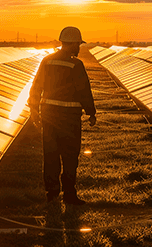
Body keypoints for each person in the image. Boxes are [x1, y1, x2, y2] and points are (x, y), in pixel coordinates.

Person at [28, 26, 97, 205]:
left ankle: (51, 194)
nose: (79, 48)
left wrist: (34, 108)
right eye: (78, 44)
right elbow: (84, 91)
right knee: (70, 157)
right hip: (70, 119)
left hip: (49, 117)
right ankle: (69, 195)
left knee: (50, 155)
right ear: (72, 44)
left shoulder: (47, 61)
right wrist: (91, 112)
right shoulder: (76, 65)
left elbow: (37, 86)